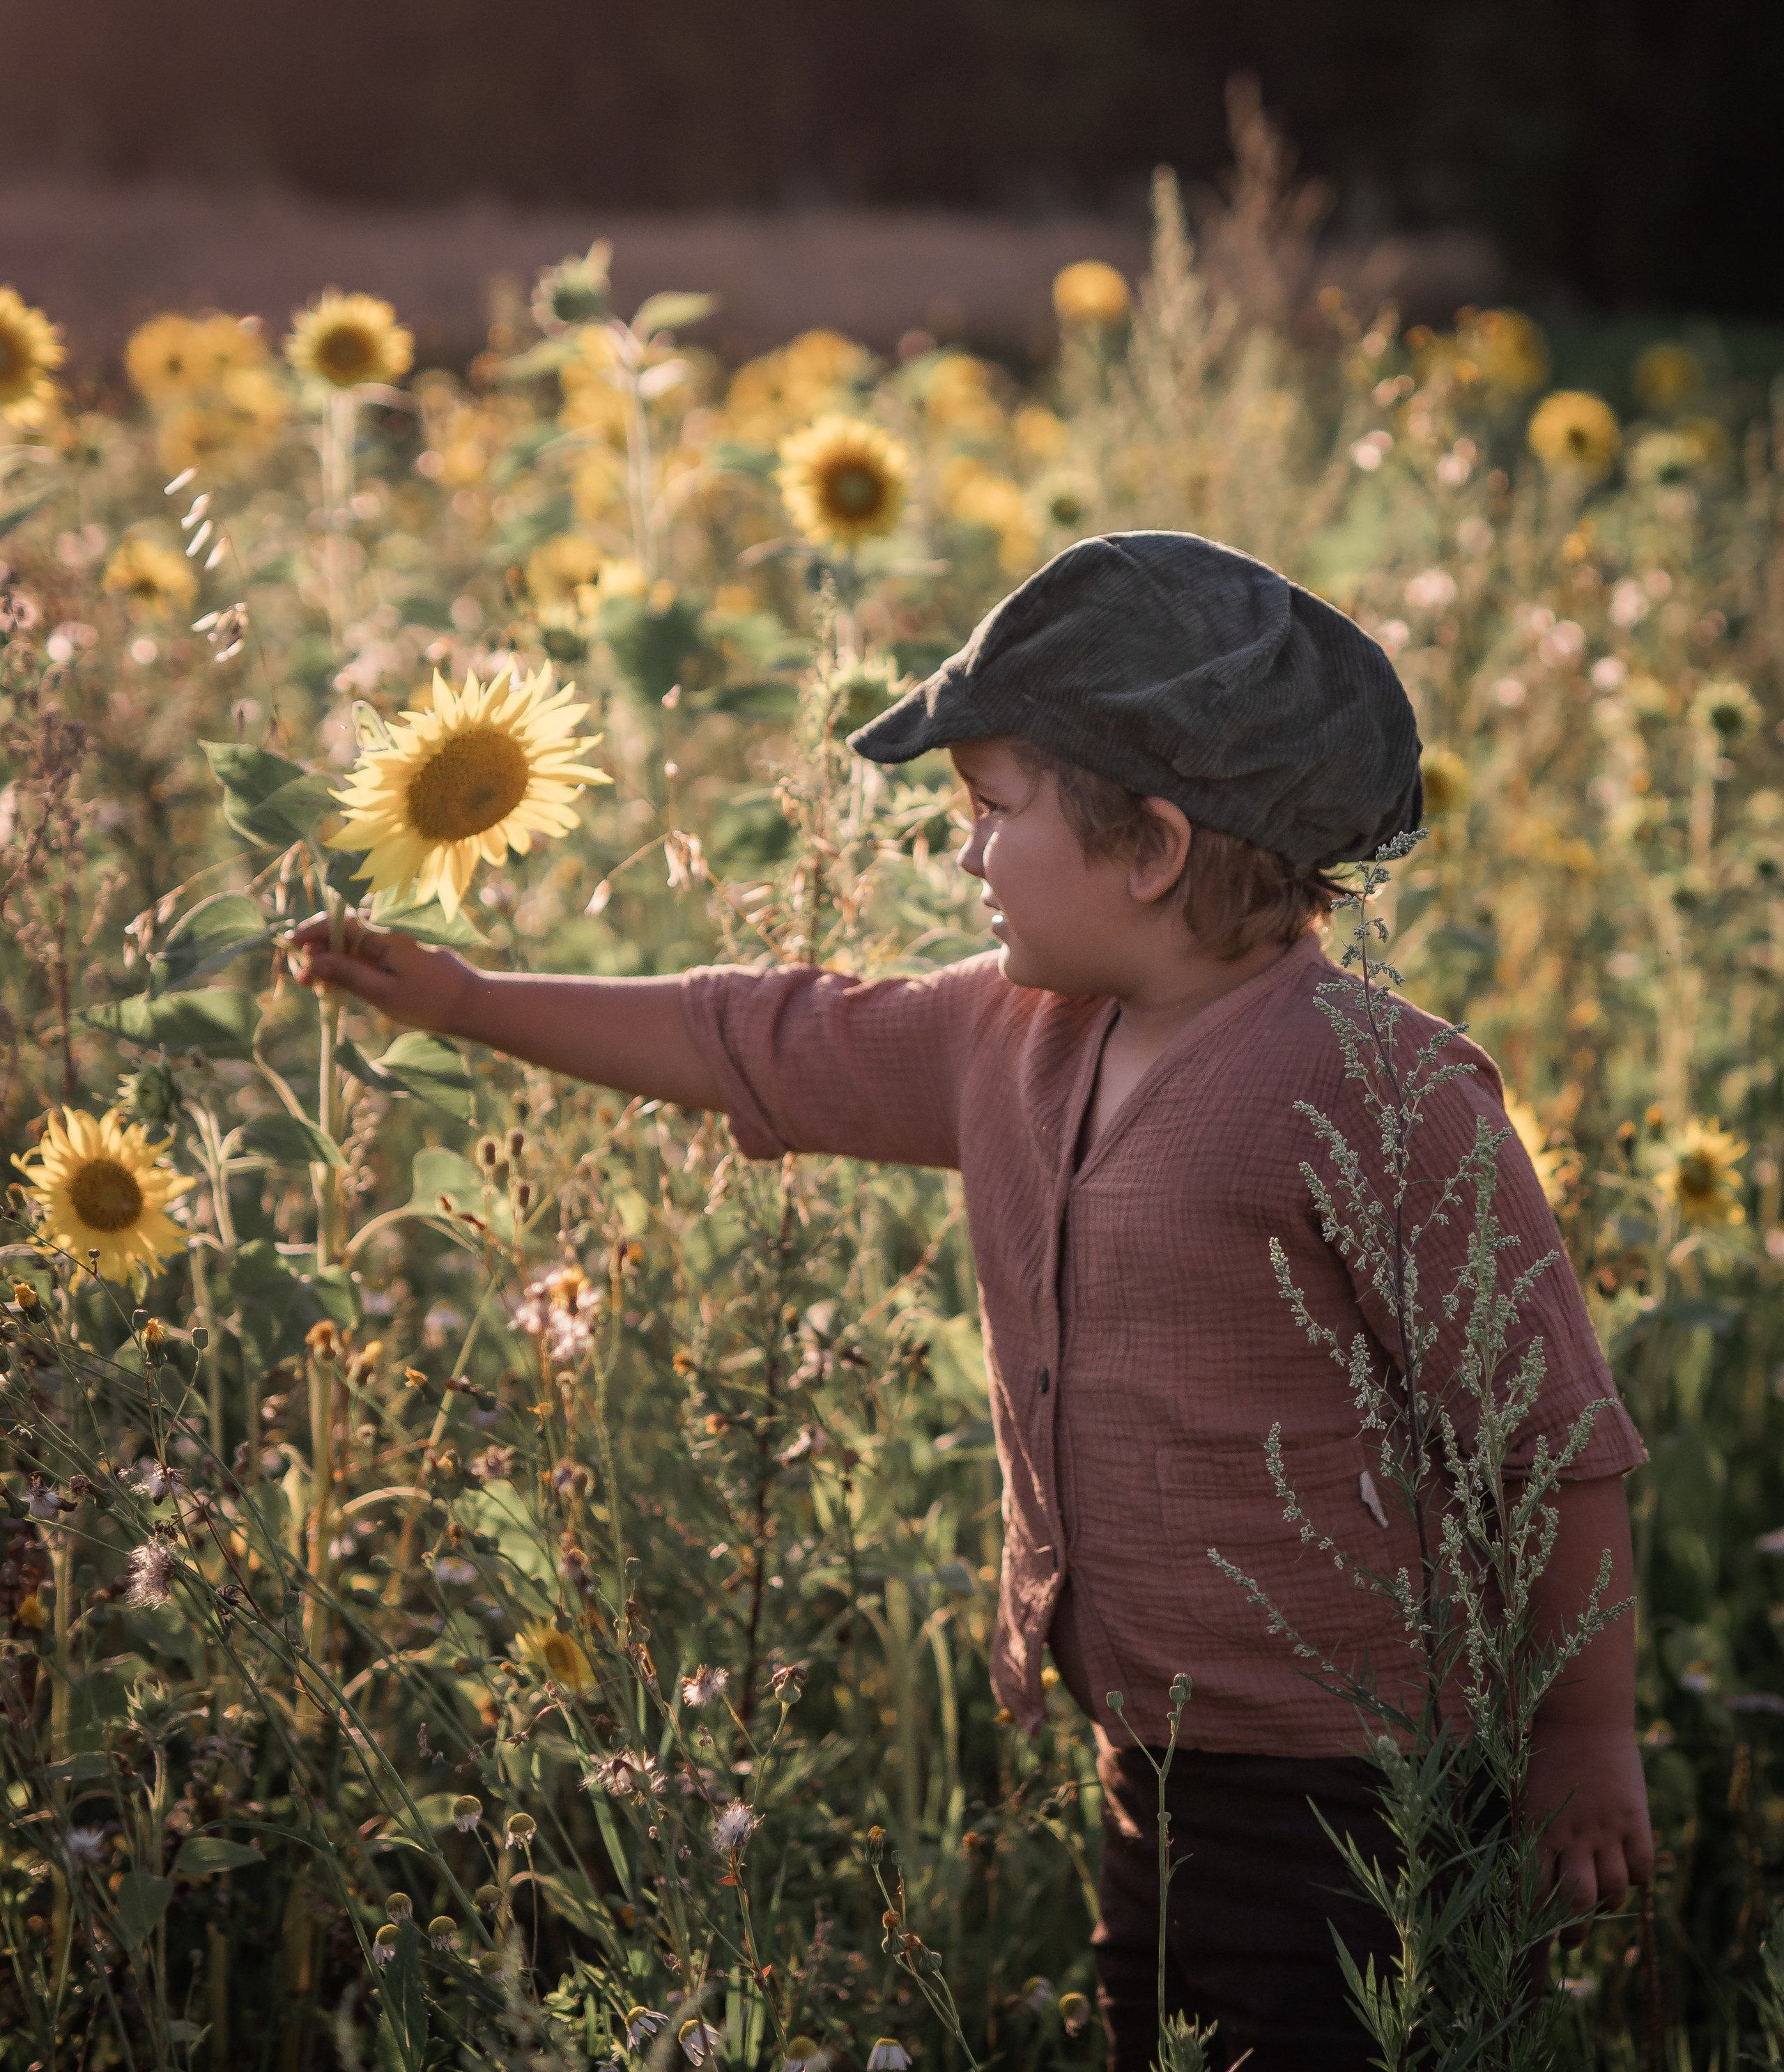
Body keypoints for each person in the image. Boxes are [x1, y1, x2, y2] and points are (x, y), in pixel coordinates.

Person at [292, 531, 1652, 2070]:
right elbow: (765, 1037)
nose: (961, 857)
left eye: (989, 813)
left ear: (1146, 844)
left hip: (1371, 1777)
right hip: (1150, 1755)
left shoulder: (1382, 1090)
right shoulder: (1010, 1033)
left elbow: (1550, 1441)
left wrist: (1581, 1732)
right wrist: (471, 1003)